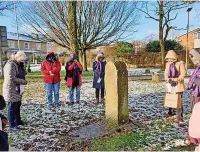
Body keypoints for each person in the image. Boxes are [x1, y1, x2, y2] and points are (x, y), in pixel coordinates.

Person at [3, 51, 27, 131]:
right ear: (18, 57)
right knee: (12, 107)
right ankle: (11, 125)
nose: (22, 61)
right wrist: (23, 81)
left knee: (17, 105)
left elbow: (22, 73)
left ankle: (18, 121)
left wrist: (23, 69)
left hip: (18, 88)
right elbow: (11, 77)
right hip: (11, 89)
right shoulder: (10, 64)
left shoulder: (18, 64)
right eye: (22, 59)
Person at [164, 50, 186, 123]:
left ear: (175, 58)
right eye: (168, 58)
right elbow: (166, 73)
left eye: (171, 58)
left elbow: (183, 73)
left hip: (178, 84)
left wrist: (177, 80)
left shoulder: (180, 63)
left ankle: (180, 116)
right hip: (170, 85)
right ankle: (170, 112)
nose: (170, 60)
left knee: (178, 101)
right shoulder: (167, 64)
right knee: (170, 99)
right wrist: (168, 79)